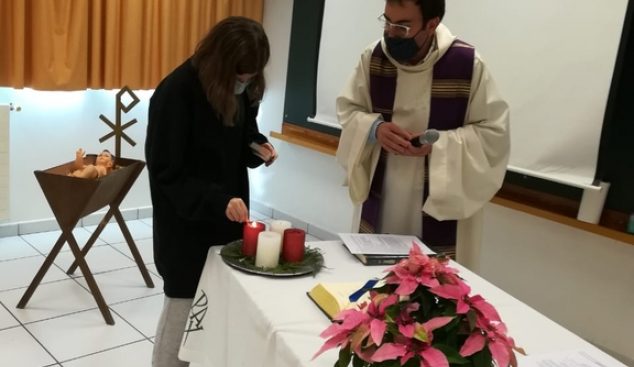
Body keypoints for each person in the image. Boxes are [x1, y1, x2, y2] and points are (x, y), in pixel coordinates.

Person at [336, 0, 510, 272]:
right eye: (388, 22)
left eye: (403, 27)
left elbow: (492, 133)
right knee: (375, 285)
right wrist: (375, 129)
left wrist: (440, 147)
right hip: (383, 190)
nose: (391, 34)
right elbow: (348, 109)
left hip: (440, 195)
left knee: (433, 290)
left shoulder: (468, 65)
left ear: (432, 24)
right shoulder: (373, 57)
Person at [145, 16, 277, 367]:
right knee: (184, 311)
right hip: (186, 226)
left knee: (219, 308)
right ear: (219, 62)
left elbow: (242, 134)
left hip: (228, 220)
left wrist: (258, 147)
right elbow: (166, 173)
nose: (245, 83)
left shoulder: (245, 87)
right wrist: (217, 201)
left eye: (250, 78)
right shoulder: (176, 93)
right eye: (239, 77)